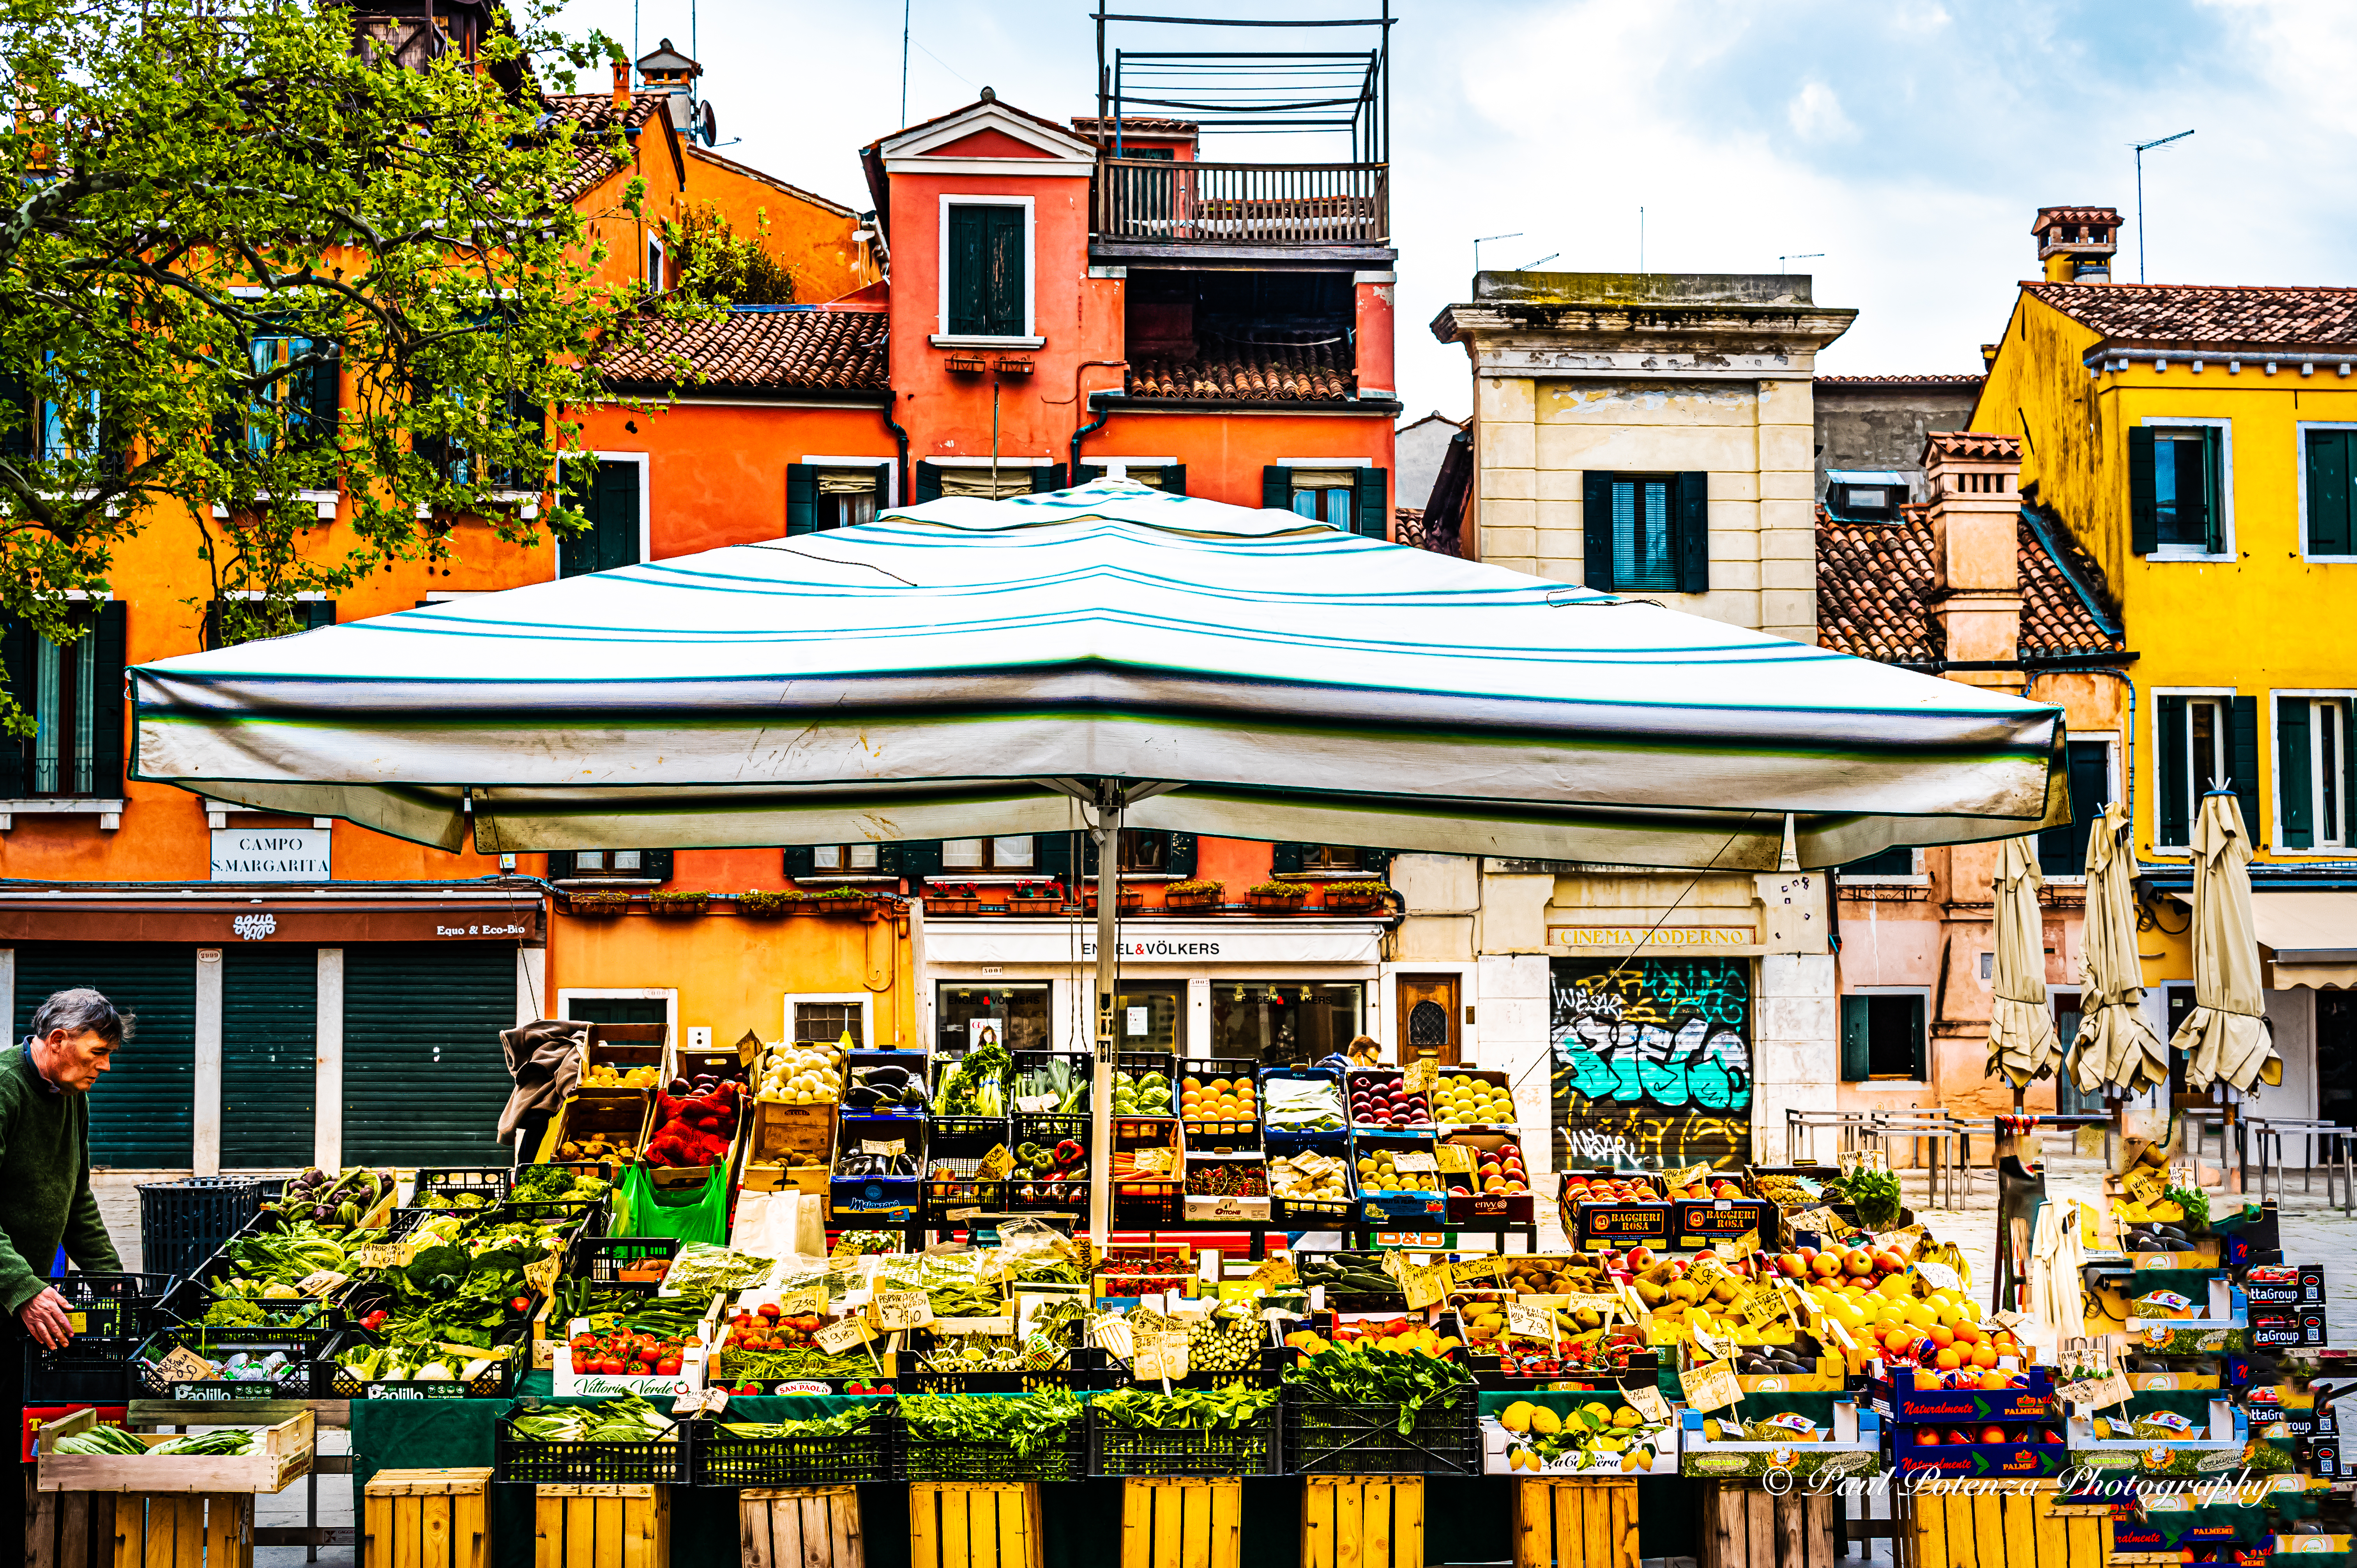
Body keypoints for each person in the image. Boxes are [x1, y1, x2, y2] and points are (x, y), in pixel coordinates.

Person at [3, 988, 127, 1537]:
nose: (105, 1067)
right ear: (58, 1040)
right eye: (98, 1052)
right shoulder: (5, 1088)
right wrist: (23, 1288)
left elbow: (77, 1200)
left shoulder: (72, 1093)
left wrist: (114, 1285)